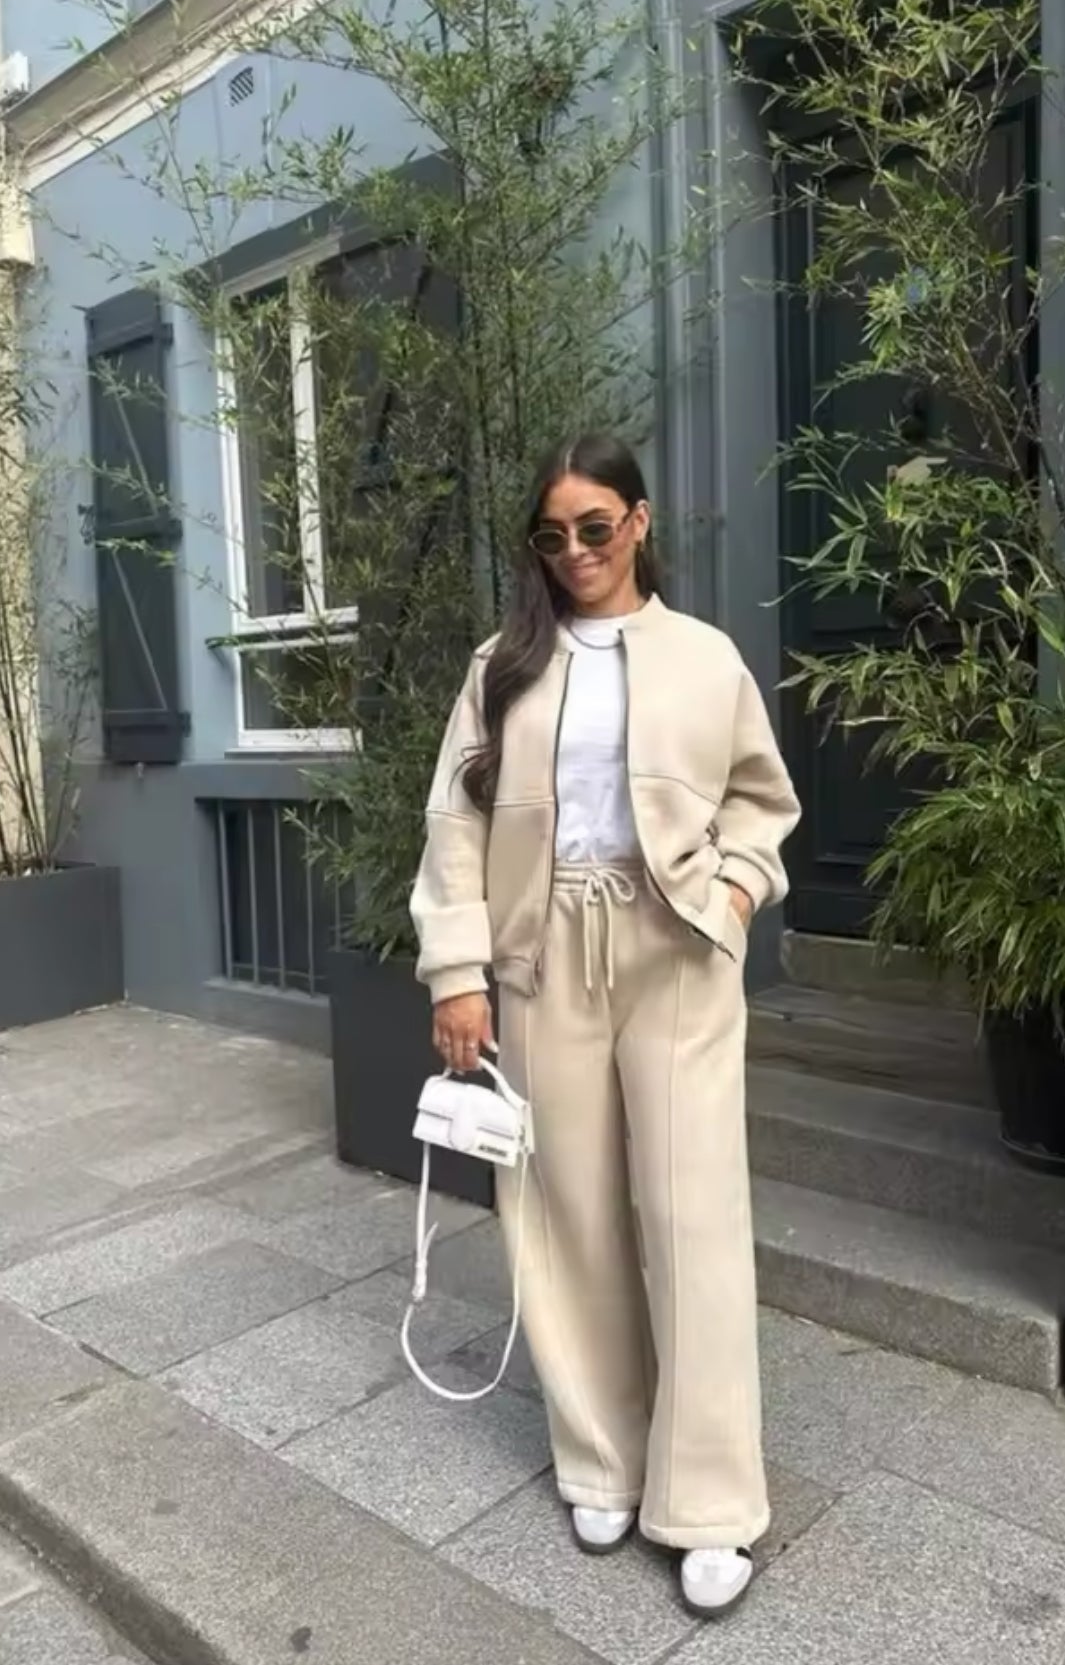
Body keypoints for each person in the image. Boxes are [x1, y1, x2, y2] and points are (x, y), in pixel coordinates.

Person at [410, 431, 800, 1617]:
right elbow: (454, 823)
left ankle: (711, 1504)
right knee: (565, 1209)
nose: (575, 551)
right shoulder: (502, 665)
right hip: (541, 958)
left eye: (594, 526)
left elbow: (761, 797)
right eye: (552, 534)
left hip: (673, 948)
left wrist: (735, 893)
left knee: (692, 1217)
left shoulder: (704, 657)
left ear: (638, 521)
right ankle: (600, 1461)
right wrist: (457, 972)